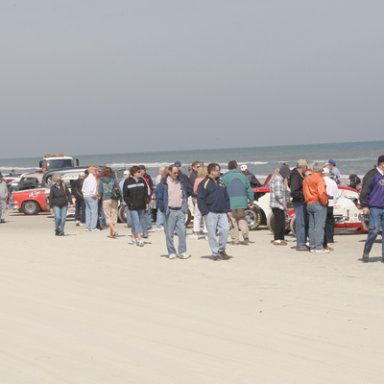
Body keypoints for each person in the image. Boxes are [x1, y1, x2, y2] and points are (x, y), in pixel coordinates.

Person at [156, 164, 191, 259]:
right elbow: (159, 198)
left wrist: (184, 204)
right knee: (169, 233)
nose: (176, 174)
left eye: (178, 172)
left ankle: (182, 251)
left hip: (180, 210)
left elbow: (187, 192)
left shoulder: (181, 182)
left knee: (182, 232)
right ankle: (171, 252)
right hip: (169, 211)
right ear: (169, 172)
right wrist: (163, 209)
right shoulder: (163, 185)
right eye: (174, 172)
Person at [197, 163, 231, 261]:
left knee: (225, 230)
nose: (219, 172)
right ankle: (215, 252)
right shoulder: (204, 183)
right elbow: (200, 199)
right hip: (210, 212)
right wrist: (205, 212)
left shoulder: (221, 182)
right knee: (212, 234)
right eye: (217, 170)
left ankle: (221, 249)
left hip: (222, 211)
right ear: (211, 171)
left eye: (219, 170)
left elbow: (226, 196)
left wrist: (228, 210)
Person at [222, 160, 254, 245]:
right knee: (241, 218)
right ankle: (245, 235)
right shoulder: (243, 176)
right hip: (242, 201)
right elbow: (249, 189)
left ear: (228, 167)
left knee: (232, 220)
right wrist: (251, 200)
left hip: (230, 202)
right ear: (236, 166)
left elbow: (221, 190)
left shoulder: (225, 177)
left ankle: (235, 240)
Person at [360, 155, 384, 263]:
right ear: (382, 164)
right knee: (374, 231)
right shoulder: (371, 174)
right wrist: (364, 205)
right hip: (374, 208)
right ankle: (366, 251)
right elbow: (364, 191)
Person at [303, 162, 329, 253]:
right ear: (320, 170)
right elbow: (321, 193)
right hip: (317, 202)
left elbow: (305, 191)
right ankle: (318, 247)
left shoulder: (306, 179)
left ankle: (313, 246)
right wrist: (325, 202)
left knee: (312, 226)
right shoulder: (319, 178)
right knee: (319, 226)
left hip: (309, 202)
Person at [123, 165, 149, 247]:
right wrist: (129, 203)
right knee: (136, 221)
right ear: (133, 173)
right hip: (132, 206)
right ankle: (140, 238)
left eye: (140, 171)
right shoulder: (127, 181)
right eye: (138, 172)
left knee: (136, 222)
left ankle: (133, 237)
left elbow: (145, 193)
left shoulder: (142, 180)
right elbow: (125, 195)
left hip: (141, 205)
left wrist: (146, 203)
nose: (140, 173)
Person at [289, 159, 309, 251]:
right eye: (306, 167)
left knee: (303, 222)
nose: (307, 168)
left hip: (301, 201)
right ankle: (300, 244)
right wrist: (304, 194)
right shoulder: (296, 176)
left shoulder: (298, 175)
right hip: (299, 202)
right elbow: (294, 191)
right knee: (301, 223)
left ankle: (302, 242)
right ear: (303, 167)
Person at [269, 164, 290, 245]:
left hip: (276, 204)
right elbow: (278, 194)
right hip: (277, 205)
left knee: (281, 222)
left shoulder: (278, 178)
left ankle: (281, 238)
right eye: (287, 173)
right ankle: (277, 239)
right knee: (279, 222)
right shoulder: (278, 179)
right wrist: (284, 203)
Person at [98, 167, 119, 239]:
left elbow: (100, 191)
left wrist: (99, 195)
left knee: (107, 216)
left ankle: (113, 231)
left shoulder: (101, 181)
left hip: (106, 199)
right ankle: (112, 233)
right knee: (114, 216)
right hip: (114, 199)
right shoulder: (114, 180)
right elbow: (118, 190)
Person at [322, 167, 339, 250]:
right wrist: (334, 201)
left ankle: (324, 239)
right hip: (331, 204)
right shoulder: (332, 182)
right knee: (330, 221)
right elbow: (336, 193)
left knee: (323, 221)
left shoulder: (321, 181)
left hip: (323, 203)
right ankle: (330, 239)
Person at [190, 164, 208, 239]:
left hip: (199, 199)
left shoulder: (197, 179)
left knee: (197, 216)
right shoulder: (208, 179)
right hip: (207, 199)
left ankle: (196, 233)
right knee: (206, 216)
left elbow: (194, 190)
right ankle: (207, 232)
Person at [82, 166, 99, 231]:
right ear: (91, 171)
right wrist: (95, 194)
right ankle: (93, 227)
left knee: (88, 211)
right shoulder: (92, 178)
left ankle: (87, 227)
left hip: (86, 196)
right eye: (94, 170)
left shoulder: (86, 178)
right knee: (94, 212)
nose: (95, 171)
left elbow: (83, 189)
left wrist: (85, 194)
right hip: (91, 196)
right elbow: (93, 189)